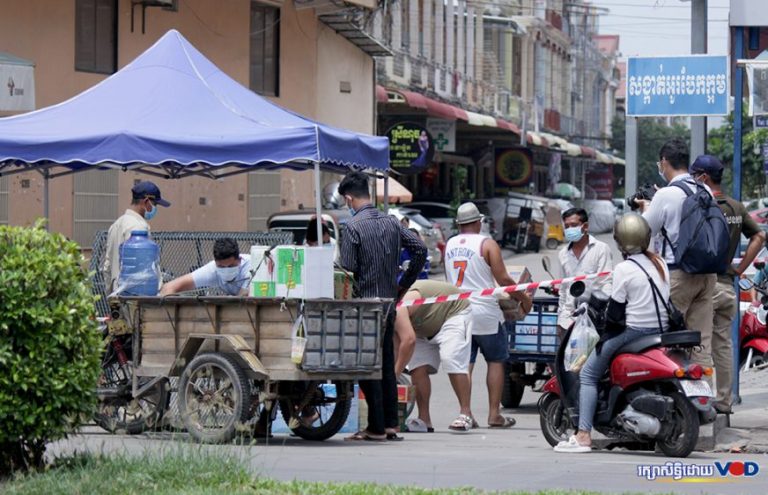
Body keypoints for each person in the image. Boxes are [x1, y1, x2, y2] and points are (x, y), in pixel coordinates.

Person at [555, 214, 669, 453]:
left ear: (619, 241)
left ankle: (584, 435)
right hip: (662, 330)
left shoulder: (624, 269)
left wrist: (603, 327)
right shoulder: (660, 262)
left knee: (587, 374)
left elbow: (615, 313)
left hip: (635, 332)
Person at [338, 171, 427, 441]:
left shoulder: (353, 227)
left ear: (349, 198)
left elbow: (348, 268)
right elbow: (420, 250)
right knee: (387, 363)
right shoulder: (391, 222)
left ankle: (376, 427)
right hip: (390, 302)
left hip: (365, 305)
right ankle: (391, 424)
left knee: (367, 364)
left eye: (346, 201)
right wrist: (403, 284)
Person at [444, 202, 532, 428]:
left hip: (457, 310)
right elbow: (503, 279)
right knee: (495, 361)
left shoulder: (450, 244)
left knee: (465, 363)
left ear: (459, 224)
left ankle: (466, 412)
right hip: (485, 312)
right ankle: (494, 415)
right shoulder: (487, 244)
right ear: (479, 221)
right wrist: (524, 298)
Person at [690, 155, 765, 413]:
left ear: (703, 177)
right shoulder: (735, 207)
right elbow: (759, 236)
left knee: (700, 344)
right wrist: (739, 270)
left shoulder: (701, 206)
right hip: (726, 287)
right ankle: (724, 402)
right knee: (723, 346)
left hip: (704, 287)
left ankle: (704, 402)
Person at [639, 138, 716, 373]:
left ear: (664, 162)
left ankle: (670, 400)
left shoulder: (666, 195)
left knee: (665, 339)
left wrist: (645, 209)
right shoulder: (705, 190)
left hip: (677, 274)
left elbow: (642, 232)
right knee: (702, 344)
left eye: (660, 163)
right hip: (707, 274)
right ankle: (703, 403)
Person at [394, 280, 474, 432]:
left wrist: (395, 374)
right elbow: (397, 347)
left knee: (451, 359)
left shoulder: (399, 307)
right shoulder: (386, 316)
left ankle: (466, 413)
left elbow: (408, 340)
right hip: (421, 324)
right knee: (416, 366)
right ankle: (424, 419)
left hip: (452, 312)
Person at [103, 180, 170, 293]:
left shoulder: (116, 225)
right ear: (146, 202)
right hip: (136, 298)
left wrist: (112, 295)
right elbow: (143, 271)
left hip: (118, 296)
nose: (155, 208)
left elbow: (107, 267)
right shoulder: (139, 228)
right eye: (155, 204)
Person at [557, 208, 613, 334]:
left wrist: (600, 312)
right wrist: (560, 320)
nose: (569, 229)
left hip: (592, 319)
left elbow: (606, 284)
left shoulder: (601, 249)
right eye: (566, 226)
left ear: (585, 226)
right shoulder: (563, 254)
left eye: (574, 225)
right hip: (567, 321)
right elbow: (563, 289)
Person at [160, 238, 251, 296]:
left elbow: (243, 297)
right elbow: (169, 288)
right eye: (221, 267)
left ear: (239, 259)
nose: (226, 270)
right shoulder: (212, 270)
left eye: (231, 266)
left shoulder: (251, 267)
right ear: (215, 262)